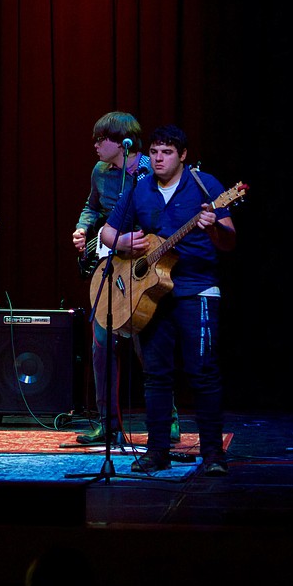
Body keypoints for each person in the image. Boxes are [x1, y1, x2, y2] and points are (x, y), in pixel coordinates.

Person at [99, 124, 236, 475]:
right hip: (151, 294)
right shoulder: (140, 189)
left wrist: (213, 227)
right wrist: (124, 243)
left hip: (196, 289)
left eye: (168, 152)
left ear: (183, 155)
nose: (159, 159)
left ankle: (213, 456)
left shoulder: (207, 187)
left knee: (202, 372)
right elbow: (108, 231)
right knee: (156, 375)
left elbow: (229, 241)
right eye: (155, 152)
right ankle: (156, 451)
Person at [71, 111, 178, 445]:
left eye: (101, 139)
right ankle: (107, 422)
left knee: (147, 347)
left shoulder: (152, 170)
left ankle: (167, 419)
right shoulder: (100, 172)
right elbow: (92, 207)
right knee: (100, 344)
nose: (95, 145)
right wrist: (82, 228)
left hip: (143, 268)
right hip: (113, 265)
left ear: (122, 143)